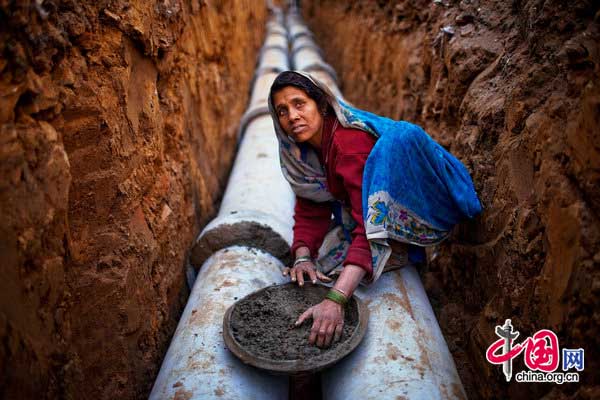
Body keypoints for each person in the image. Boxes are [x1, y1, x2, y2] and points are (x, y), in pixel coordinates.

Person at [268, 71, 481, 349]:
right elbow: (311, 206)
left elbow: (369, 225)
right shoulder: (303, 153)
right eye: (282, 111)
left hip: (420, 203)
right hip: (367, 214)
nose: (292, 116)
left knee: (339, 274)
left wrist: (336, 299)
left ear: (320, 105)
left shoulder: (348, 146)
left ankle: (399, 245)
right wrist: (302, 256)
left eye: (299, 104)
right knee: (318, 269)